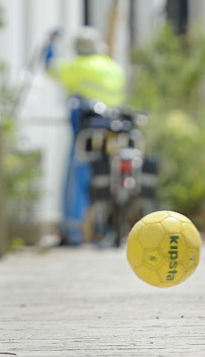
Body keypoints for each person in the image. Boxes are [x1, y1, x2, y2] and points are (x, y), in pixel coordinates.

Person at [44, 26, 126, 245]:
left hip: (86, 131)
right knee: (106, 175)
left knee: (77, 177)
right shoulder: (113, 67)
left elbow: (51, 69)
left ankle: (73, 232)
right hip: (113, 130)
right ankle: (107, 227)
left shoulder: (78, 67)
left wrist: (50, 45)